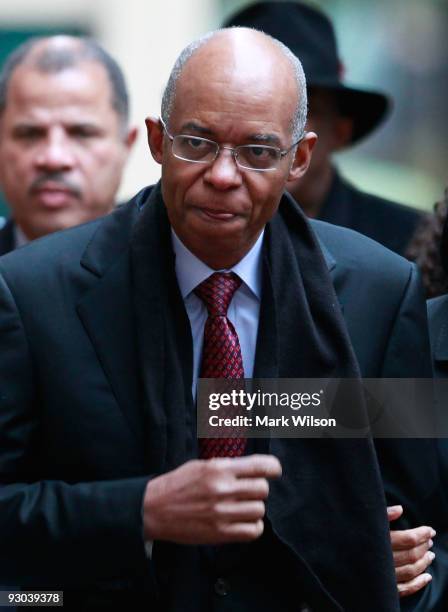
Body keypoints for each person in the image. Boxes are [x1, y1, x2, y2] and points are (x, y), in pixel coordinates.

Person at [0, 27, 442, 611]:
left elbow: (415, 526)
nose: (223, 176)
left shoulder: (378, 293)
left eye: (257, 152)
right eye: (198, 143)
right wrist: (142, 510)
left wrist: (379, 558)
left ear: (300, 159)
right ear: (157, 141)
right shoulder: (33, 292)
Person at [224, 1, 422, 256]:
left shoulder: (409, 244)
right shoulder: (181, 229)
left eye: (299, 111)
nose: (263, 131)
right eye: (244, 106)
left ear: (340, 130)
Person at [0, 35, 137, 254]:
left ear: (127, 145)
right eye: (30, 133)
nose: (54, 158)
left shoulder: (178, 272)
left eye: (82, 133)